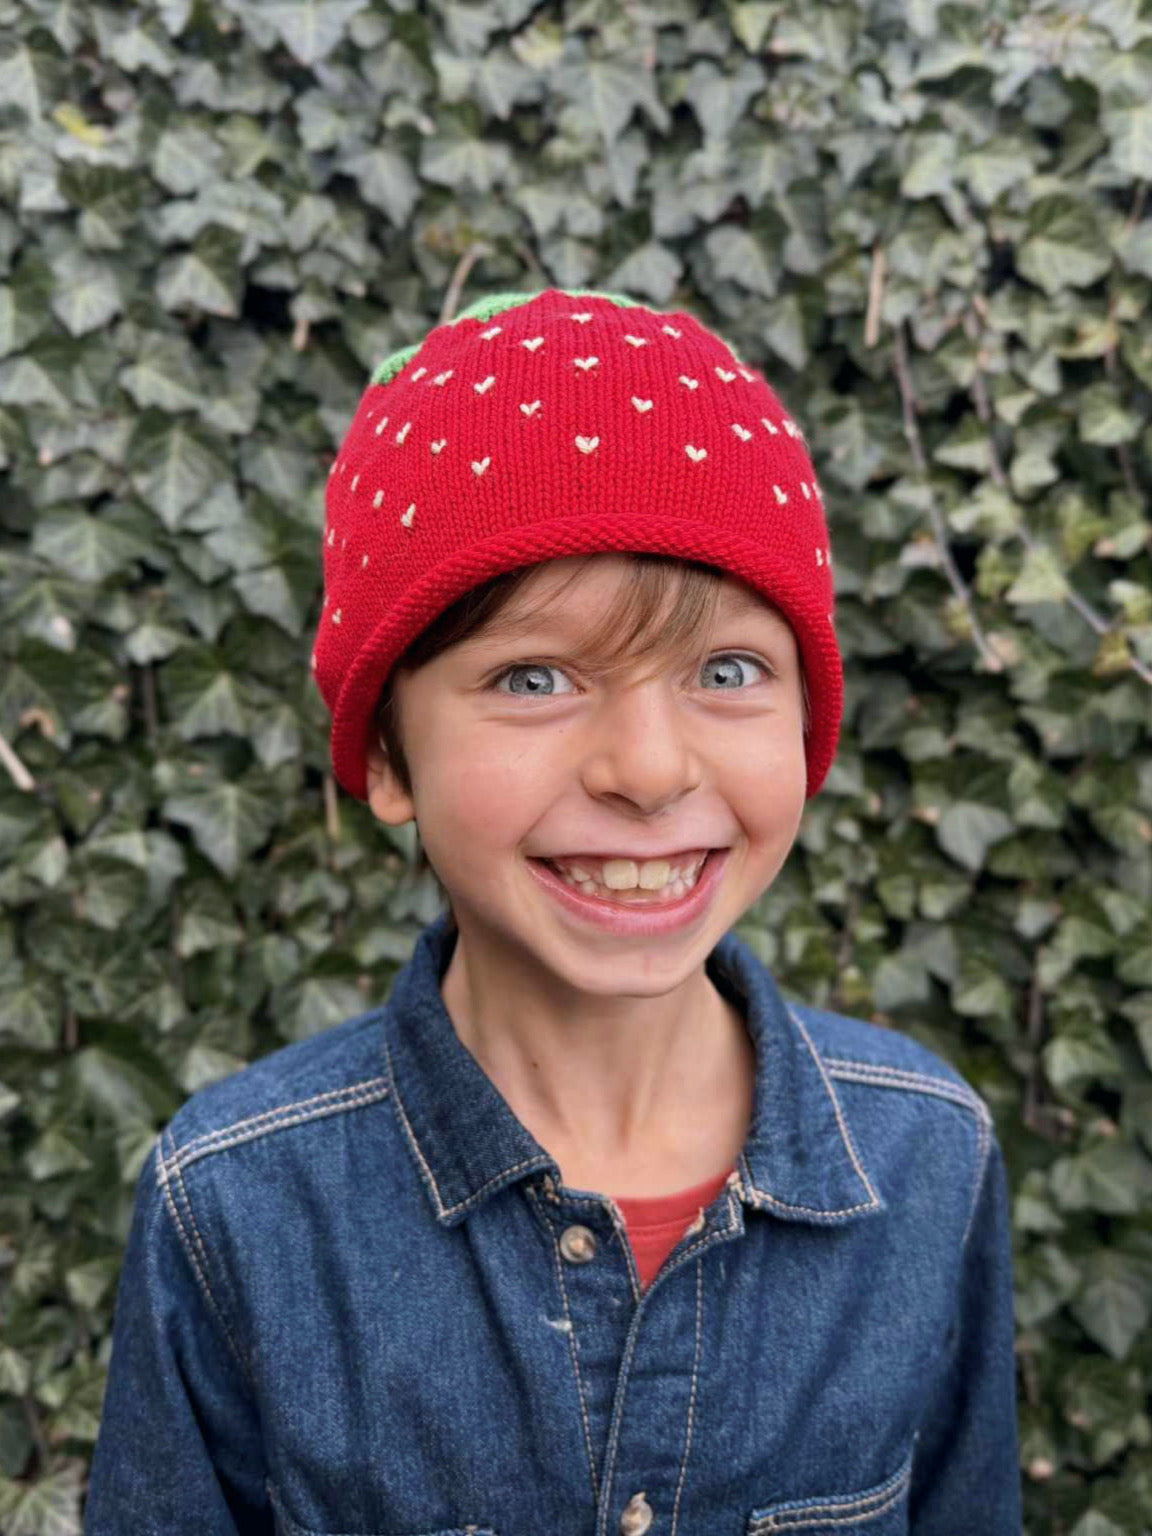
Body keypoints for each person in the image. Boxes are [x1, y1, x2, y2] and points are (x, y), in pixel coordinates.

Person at [83, 287, 1023, 1533]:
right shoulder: (237, 1205)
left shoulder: (931, 1158)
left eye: (727, 671)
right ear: (385, 761)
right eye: (532, 677)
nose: (645, 768)